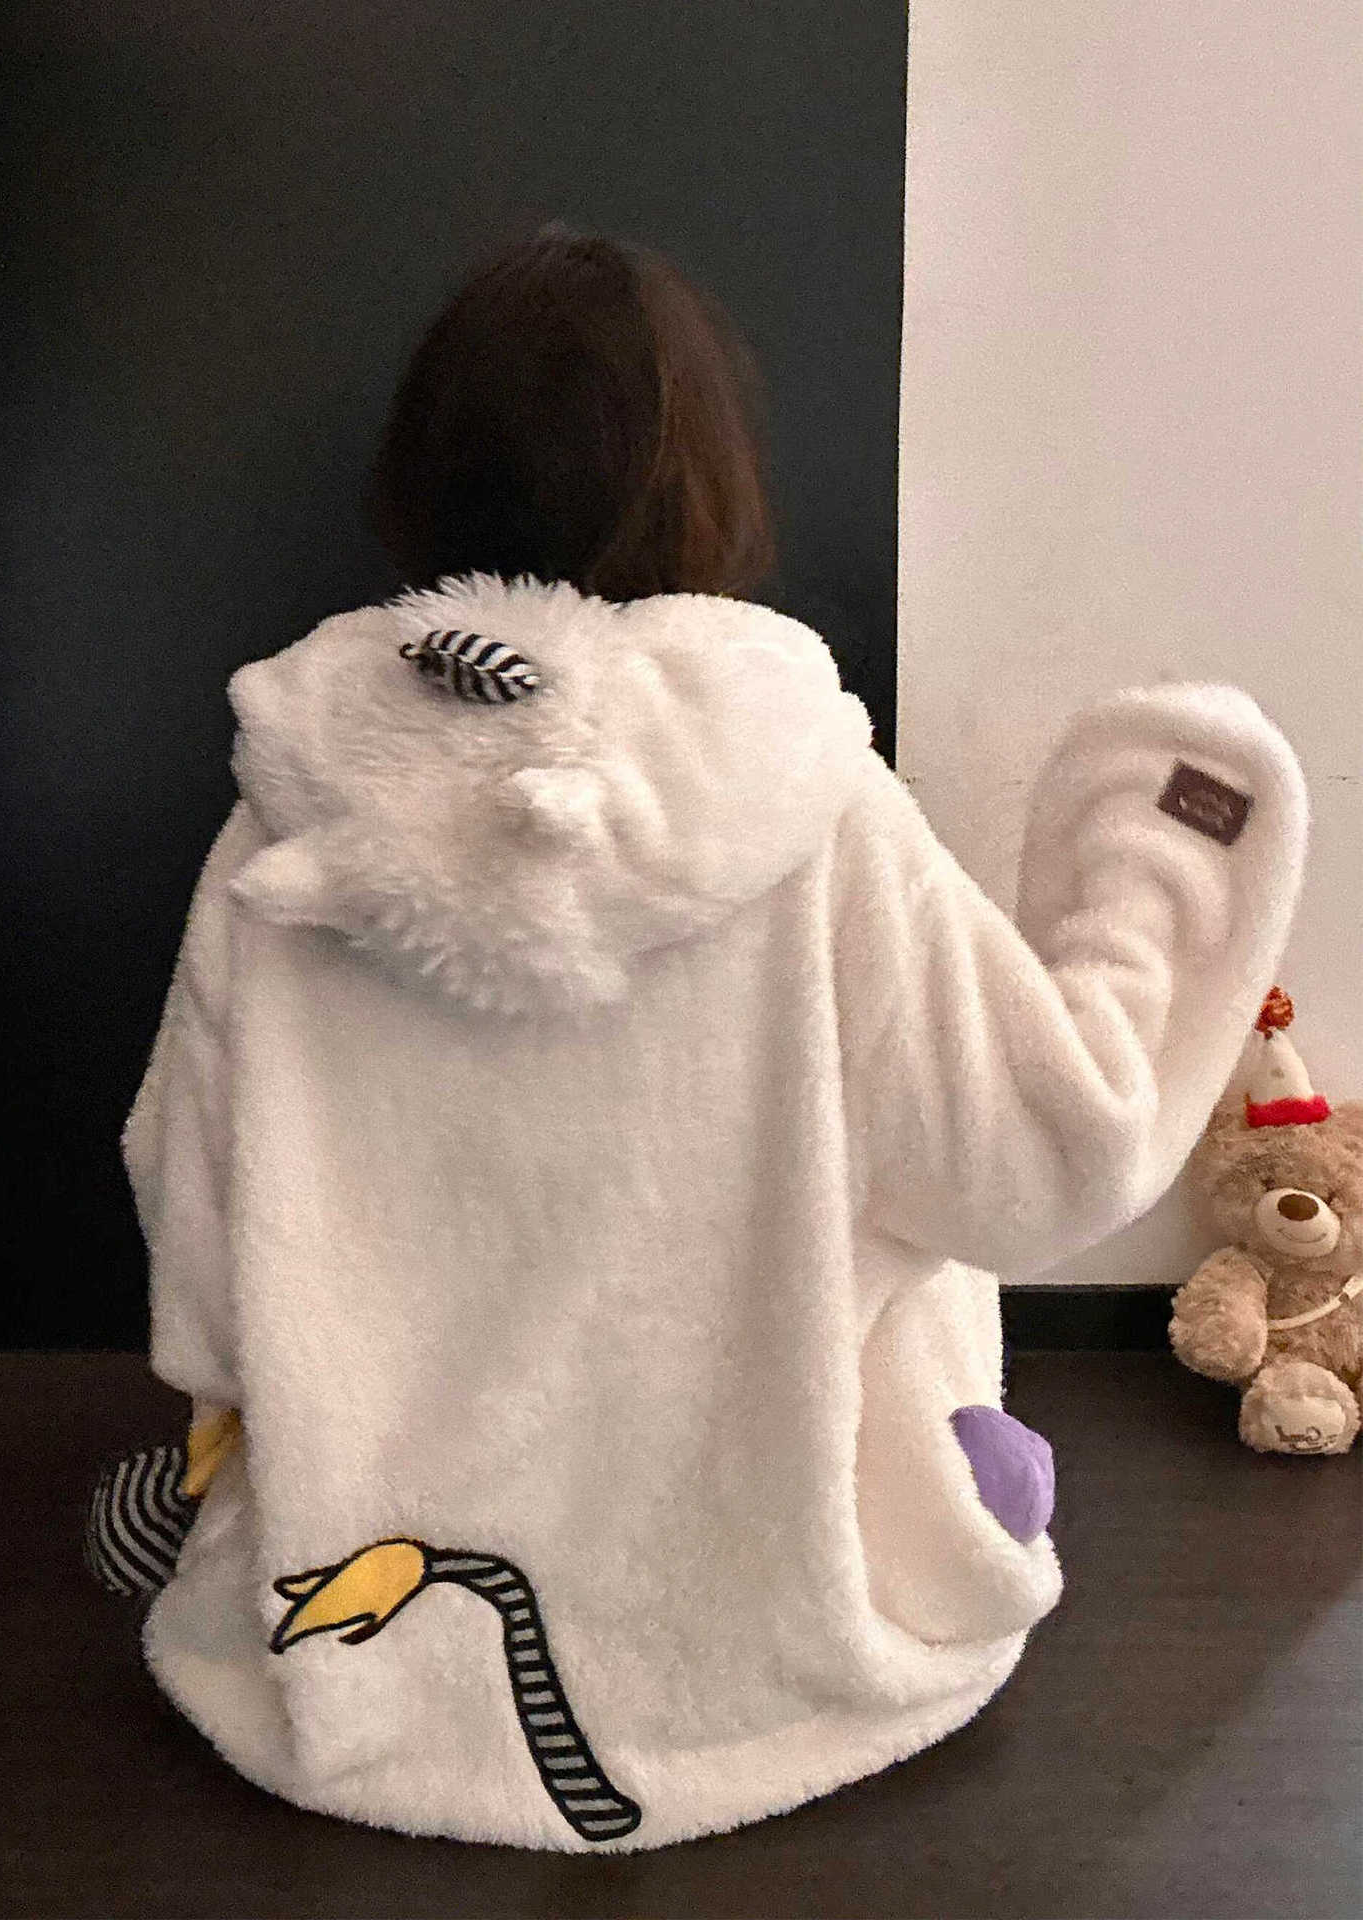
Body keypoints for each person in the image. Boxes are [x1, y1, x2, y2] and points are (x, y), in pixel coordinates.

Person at [124, 223, 1308, 1850]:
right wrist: (1154, 868)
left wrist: (236, 1416)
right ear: (714, 484)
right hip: (767, 1636)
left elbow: (192, 1213)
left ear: (422, 476)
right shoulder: (811, 810)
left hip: (366, 1633)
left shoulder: (288, 817)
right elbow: (1042, 1166)